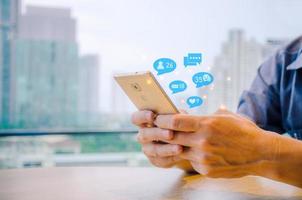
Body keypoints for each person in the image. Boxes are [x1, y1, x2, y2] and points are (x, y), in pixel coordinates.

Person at [131, 36, 302, 188]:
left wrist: (266, 152)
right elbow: (236, 141)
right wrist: (183, 144)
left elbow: (249, 147)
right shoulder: (282, 62)